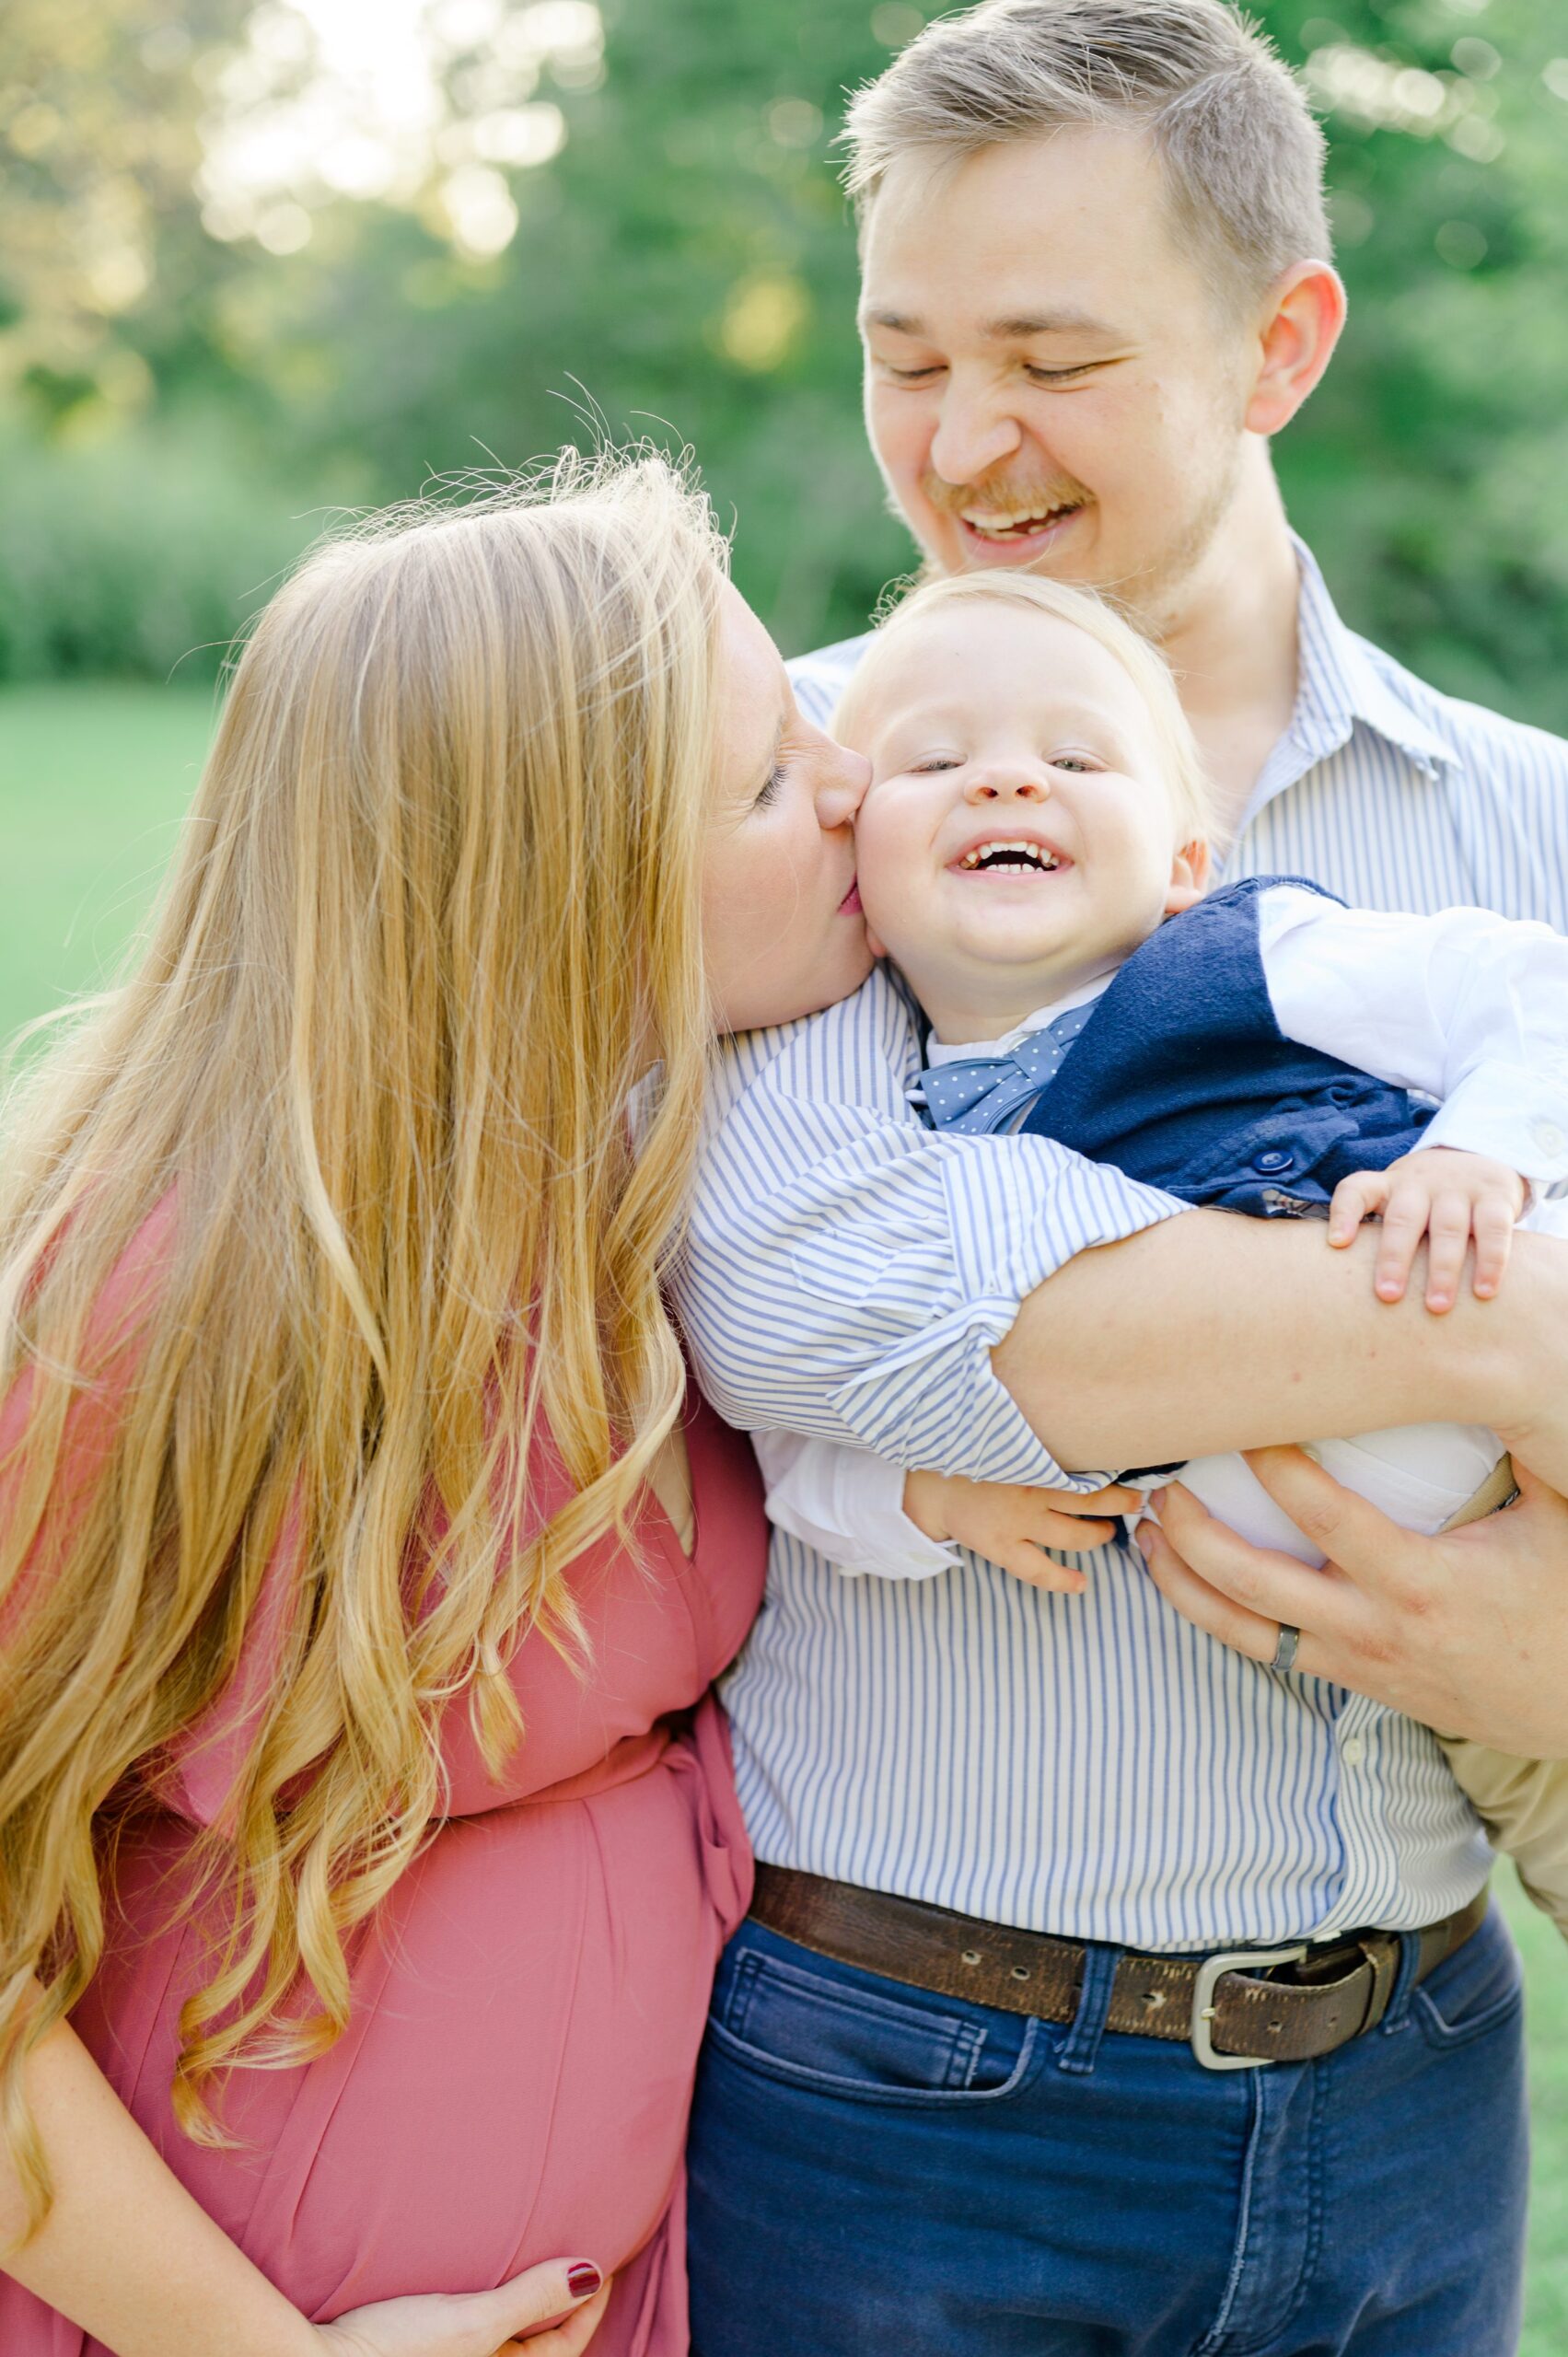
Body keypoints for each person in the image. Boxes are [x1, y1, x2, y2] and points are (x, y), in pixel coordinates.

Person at [4, 448, 1566, 2357]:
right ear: (557, 881)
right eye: (769, 773)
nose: (849, 778)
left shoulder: (625, 1202)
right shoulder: (154, 1300)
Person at [672, 3, 1568, 2350]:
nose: (964, 445)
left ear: (1282, 343)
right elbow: (815, 1294)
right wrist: (1495, 1325)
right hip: (906, 2085)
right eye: (907, 358)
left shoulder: (1526, 840)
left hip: (1413, 2081)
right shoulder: (805, 793)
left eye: (1055, 358)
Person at [750, 563, 1568, 1936]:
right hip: (1378, 1595)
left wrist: (1479, 1154)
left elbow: (1532, 987)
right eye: (936, 758)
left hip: (1495, 1374)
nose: (1008, 782)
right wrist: (922, 1509)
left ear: (1186, 865)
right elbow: (804, 1422)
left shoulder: (1245, 960)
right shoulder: (866, 1106)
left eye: (1077, 757)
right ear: (852, 868)